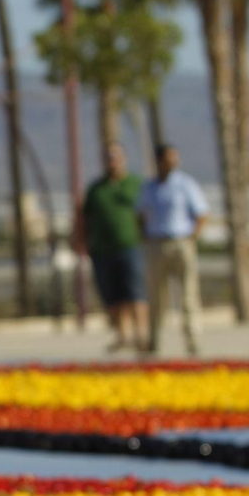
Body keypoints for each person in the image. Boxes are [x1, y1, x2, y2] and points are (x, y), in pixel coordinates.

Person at [137, 144, 209, 357]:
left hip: (181, 242)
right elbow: (140, 215)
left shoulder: (185, 184)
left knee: (188, 295)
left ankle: (192, 341)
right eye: (169, 158)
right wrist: (145, 238)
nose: (173, 162)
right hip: (157, 244)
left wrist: (191, 237)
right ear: (159, 161)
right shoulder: (149, 188)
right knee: (156, 296)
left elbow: (202, 213)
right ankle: (154, 341)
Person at [81, 143, 146, 352]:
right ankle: (122, 335)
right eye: (108, 157)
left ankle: (141, 335)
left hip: (131, 246)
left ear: (124, 158)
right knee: (113, 295)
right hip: (102, 249)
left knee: (135, 292)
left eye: (116, 157)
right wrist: (81, 242)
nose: (112, 161)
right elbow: (83, 218)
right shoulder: (96, 188)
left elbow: (147, 213)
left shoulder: (136, 184)